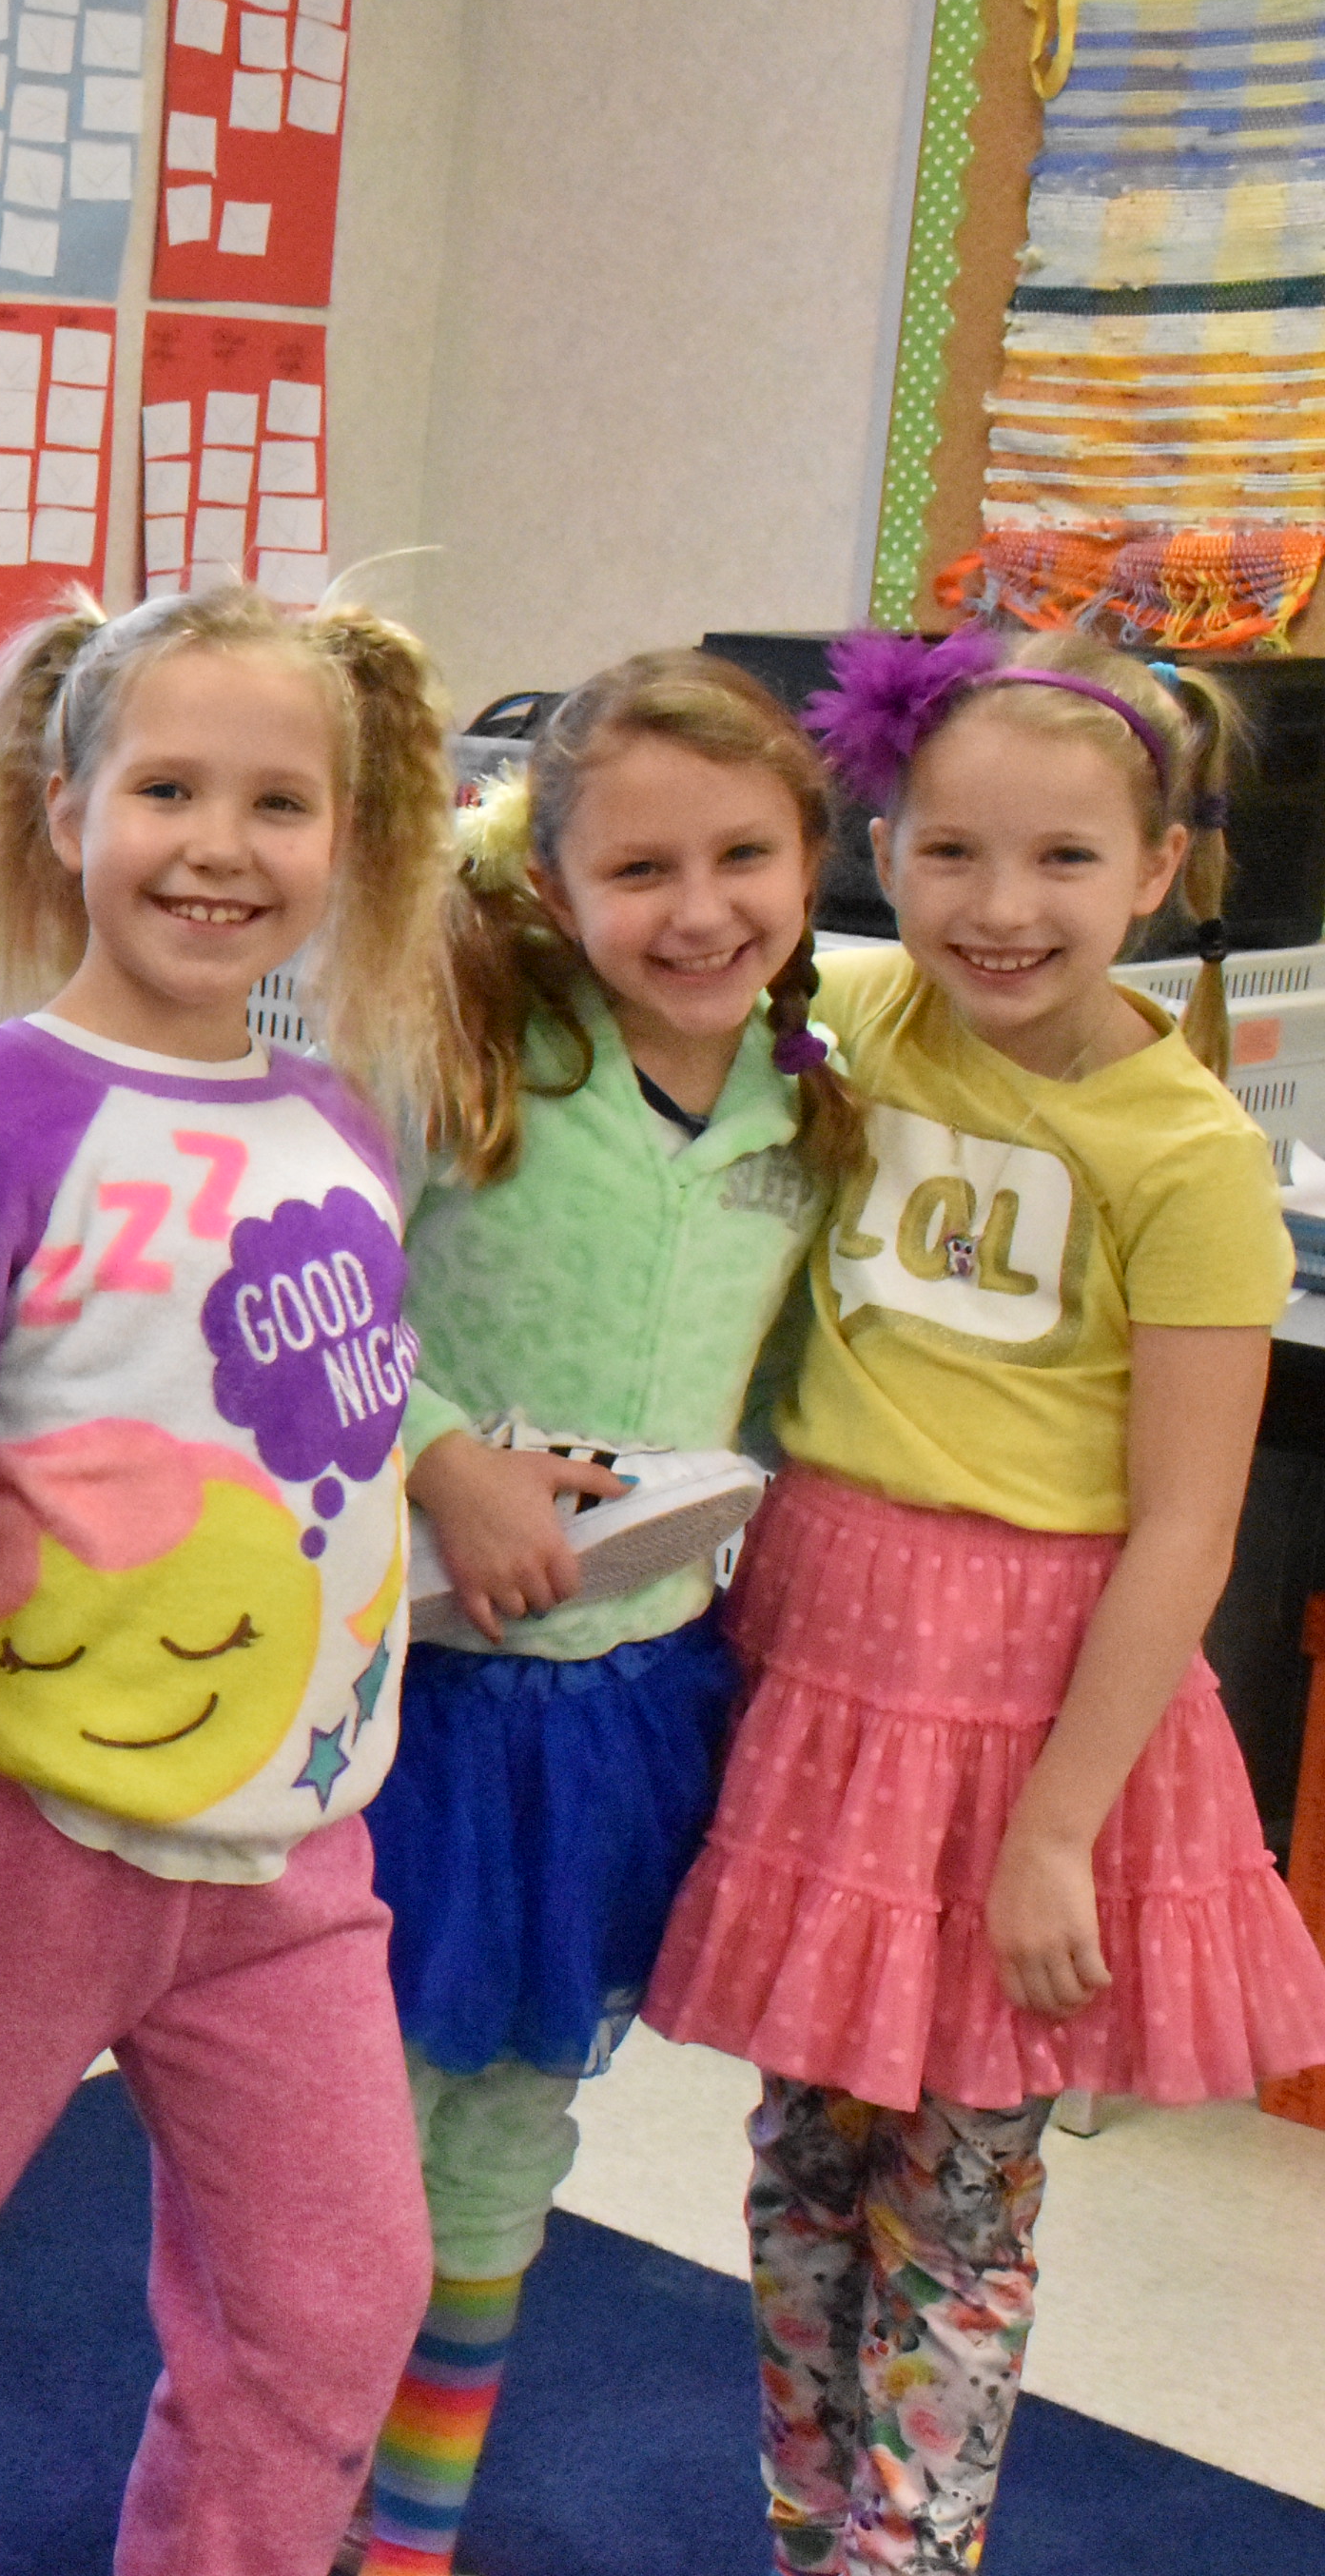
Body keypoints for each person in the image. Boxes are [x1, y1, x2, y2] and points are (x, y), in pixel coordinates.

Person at [0, 583, 461, 2576]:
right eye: (166, 790)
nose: (218, 847)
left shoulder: (337, 1124)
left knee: (336, 2305)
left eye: (278, 804)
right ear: (65, 812)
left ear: (345, 839)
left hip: (289, 1857)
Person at [638, 627, 1325, 2576]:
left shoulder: (1186, 1156)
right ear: (881, 849)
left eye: (1061, 861)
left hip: (1029, 1704)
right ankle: (807, 2526)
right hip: (827, 1645)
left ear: (1160, 870)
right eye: (949, 852)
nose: (999, 908)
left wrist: (1054, 1834)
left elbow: (1183, 1531)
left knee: (956, 2192)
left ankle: (906, 2553)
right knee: (802, 2154)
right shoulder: (858, 1009)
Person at [354, 653, 867, 2575]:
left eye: (744, 857)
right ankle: (260, 2504)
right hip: (402, 1709)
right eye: (639, 869)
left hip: (621, 1717)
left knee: (506, 2149)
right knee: (345, 2158)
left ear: (812, 861)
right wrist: (437, 1454)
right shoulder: (466, 1057)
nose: (699, 909)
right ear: (550, 883)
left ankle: (406, 2537)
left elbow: (768, 1408)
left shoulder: (805, 1111)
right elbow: (299, 1314)